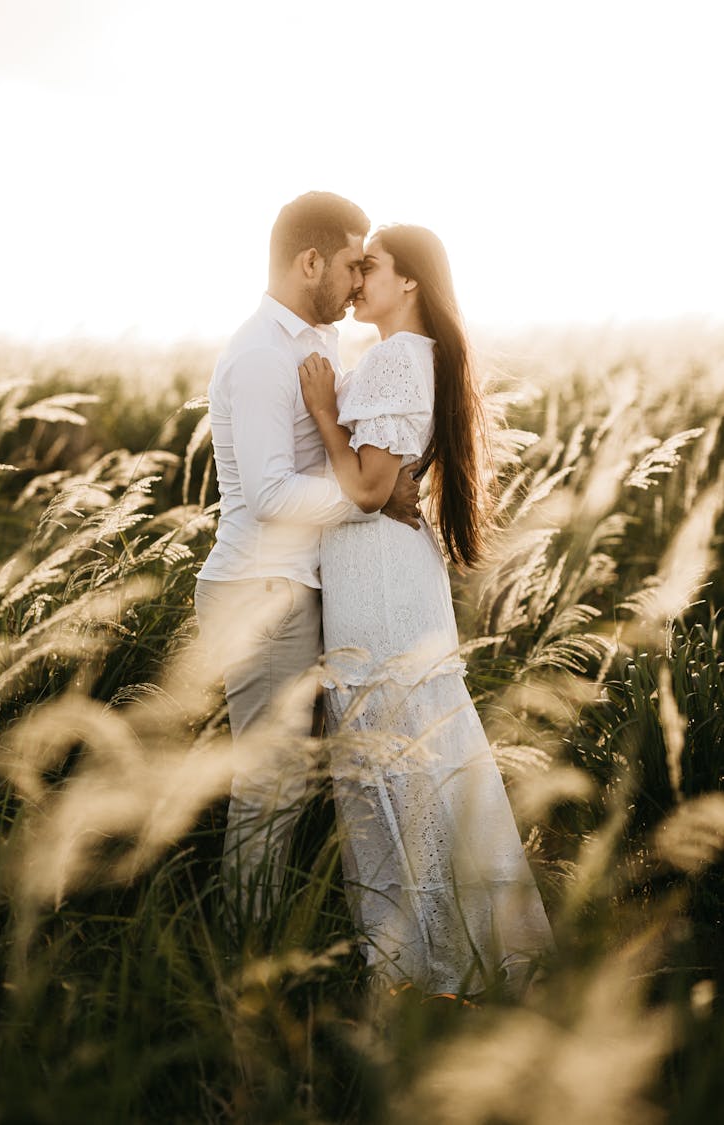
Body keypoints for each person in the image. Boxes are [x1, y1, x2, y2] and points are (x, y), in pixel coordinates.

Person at [298, 224, 555, 997]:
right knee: (426, 758)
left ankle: (429, 965)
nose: (358, 280)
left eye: (371, 266)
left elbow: (372, 488)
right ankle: (458, 956)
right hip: (394, 578)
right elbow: (389, 478)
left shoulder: (391, 359)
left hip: (379, 587)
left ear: (409, 282)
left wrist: (319, 408)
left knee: (396, 763)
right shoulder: (421, 358)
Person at [194, 193, 421, 918]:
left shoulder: (314, 345)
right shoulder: (262, 354)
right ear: (310, 260)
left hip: (290, 585)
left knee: (291, 785)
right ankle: (245, 961)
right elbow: (266, 493)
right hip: (260, 591)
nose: (359, 283)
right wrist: (369, 495)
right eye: (353, 264)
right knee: (271, 790)